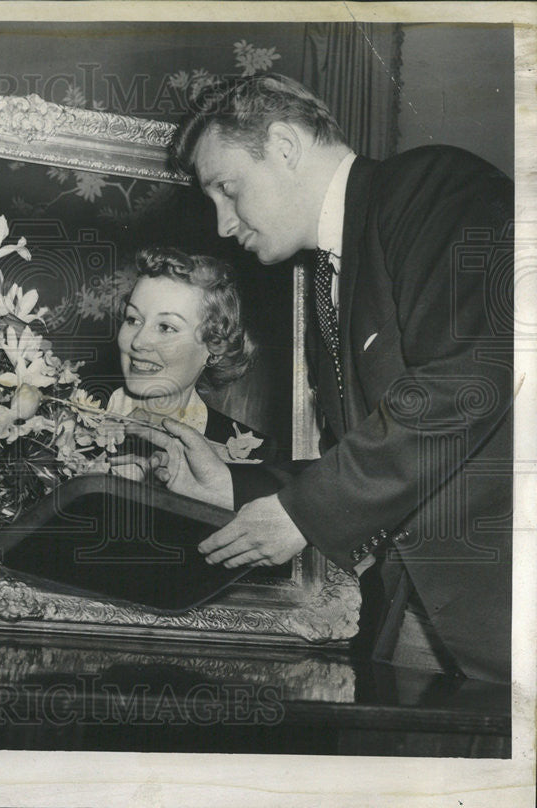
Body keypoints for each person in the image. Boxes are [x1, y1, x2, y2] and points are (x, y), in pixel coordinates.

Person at [147, 73, 513, 682]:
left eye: (228, 189)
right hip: (424, 621)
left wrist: (301, 515)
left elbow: (468, 377)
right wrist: (234, 487)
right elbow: (358, 454)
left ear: (285, 146)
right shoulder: (326, 283)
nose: (221, 224)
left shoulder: (432, 188)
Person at [106, 247, 274, 510]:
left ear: (213, 347)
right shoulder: (61, 422)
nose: (138, 342)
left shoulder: (253, 455)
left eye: (166, 327)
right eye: (133, 319)